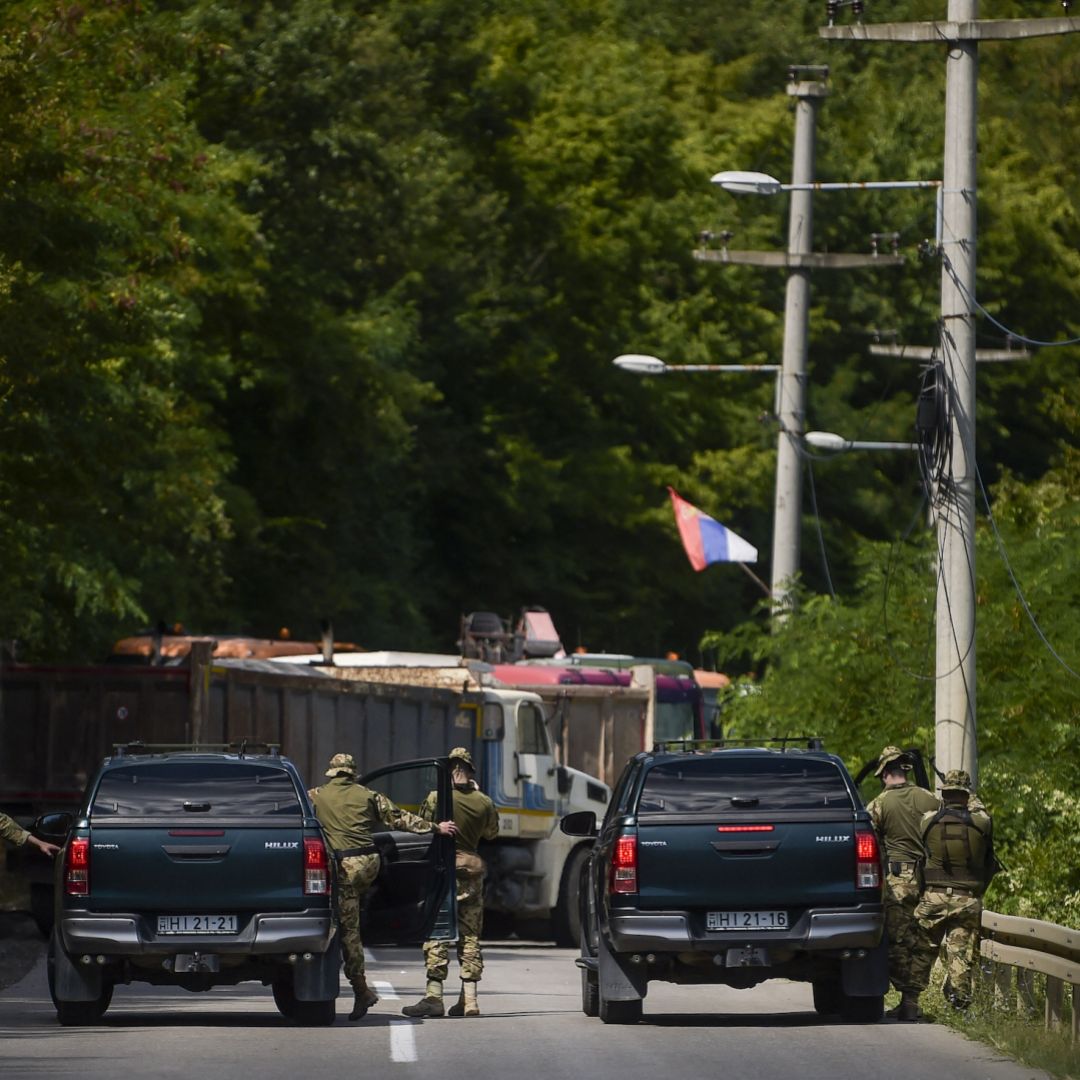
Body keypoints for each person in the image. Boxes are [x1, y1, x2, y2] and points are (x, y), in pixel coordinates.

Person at [308, 752, 457, 1021]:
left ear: (331, 773)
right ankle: (376, 920)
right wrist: (437, 827)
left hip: (343, 865)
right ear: (352, 773)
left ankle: (361, 990)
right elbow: (400, 819)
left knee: (348, 930)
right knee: (355, 908)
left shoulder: (315, 795)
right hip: (369, 862)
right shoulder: (367, 794)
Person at [402, 747, 498, 1019]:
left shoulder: (436, 797)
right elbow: (492, 833)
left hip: (443, 871)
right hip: (471, 873)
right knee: (470, 934)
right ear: (470, 772)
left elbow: (422, 825)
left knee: (437, 931)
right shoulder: (484, 801)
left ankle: (434, 998)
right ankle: (470, 1000)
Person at [907, 769, 993, 1016]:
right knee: (960, 955)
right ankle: (960, 1005)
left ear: (945, 794)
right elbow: (981, 813)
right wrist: (971, 797)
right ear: (967, 794)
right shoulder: (982, 822)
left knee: (922, 950)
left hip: (933, 897)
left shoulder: (928, 820)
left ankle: (910, 1003)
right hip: (966, 900)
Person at [865, 745, 941, 1021]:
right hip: (931, 880)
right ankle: (911, 1000)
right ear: (905, 771)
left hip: (899, 881)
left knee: (896, 941)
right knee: (922, 941)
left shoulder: (879, 804)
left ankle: (906, 999)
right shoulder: (930, 799)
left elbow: (864, 843)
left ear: (885, 773)